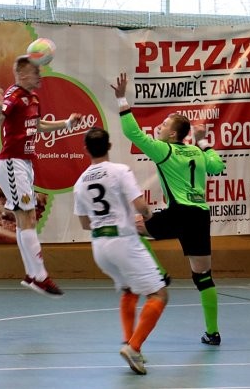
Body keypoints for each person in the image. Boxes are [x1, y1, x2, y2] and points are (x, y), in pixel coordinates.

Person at [111, 72, 226, 346]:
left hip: (180, 212)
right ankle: (213, 333)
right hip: (200, 215)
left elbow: (132, 133)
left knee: (130, 228)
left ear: (172, 134)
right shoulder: (197, 152)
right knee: (203, 276)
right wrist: (202, 140)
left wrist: (121, 99)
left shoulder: (166, 150)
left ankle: (158, 273)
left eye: (163, 125)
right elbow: (217, 166)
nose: (159, 128)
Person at [73, 127, 169, 375]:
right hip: (123, 242)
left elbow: (84, 223)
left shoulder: (80, 182)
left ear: (86, 150)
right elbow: (140, 205)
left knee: (129, 289)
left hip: (99, 247)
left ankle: (129, 341)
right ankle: (134, 347)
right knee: (159, 295)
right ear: (110, 146)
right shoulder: (119, 171)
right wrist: (148, 217)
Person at [0, 54, 80, 297]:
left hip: (25, 163)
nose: (40, 75)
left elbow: (38, 126)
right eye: (36, 72)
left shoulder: (34, 98)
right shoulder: (13, 96)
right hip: (11, 163)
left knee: (26, 219)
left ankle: (32, 275)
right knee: (27, 217)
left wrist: (67, 124)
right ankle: (40, 276)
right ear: (22, 74)